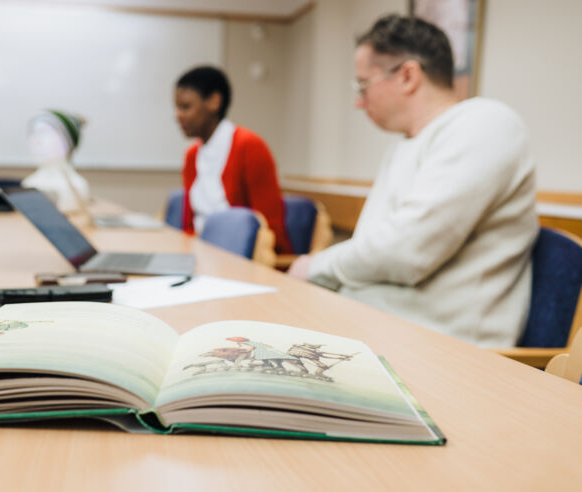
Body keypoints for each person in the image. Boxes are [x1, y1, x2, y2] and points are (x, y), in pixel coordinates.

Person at [288, 15, 538, 348]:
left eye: (363, 85)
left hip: (441, 351)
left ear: (407, 76)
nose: (358, 101)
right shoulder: (406, 145)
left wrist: (317, 266)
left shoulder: (485, 124)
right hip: (378, 331)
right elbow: (377, 248)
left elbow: (407, 252)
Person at [174, 66, 292, 254]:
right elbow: (189, 225)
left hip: (238, 261)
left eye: (186, 107)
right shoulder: (192, 155)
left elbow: (270, 232)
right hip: (200, 254)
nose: (178, 116)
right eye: (177, 108)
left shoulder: (249, 146)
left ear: (214, 102)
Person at [22, 109, 90, 213]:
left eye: (45, 133)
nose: (36, 141)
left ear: (68, 144)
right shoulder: (29, 183)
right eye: (33, 134)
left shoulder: (77, 186)